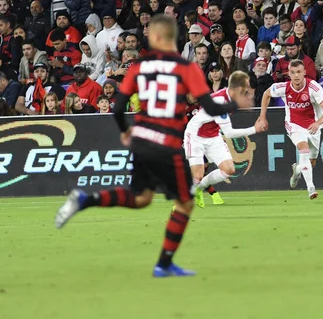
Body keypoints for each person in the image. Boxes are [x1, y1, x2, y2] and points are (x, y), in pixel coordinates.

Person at [55, 15, 249, 278]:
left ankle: (84, 199)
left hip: (142, 140)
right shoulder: (187, 68)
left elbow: (119, 108)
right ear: (174, 37)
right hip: (167, 142)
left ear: (154, 37)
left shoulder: (138, 67)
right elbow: (212, 107)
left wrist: (126, 131)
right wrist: (236, 104)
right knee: (184, 203)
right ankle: (164, 264)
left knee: (141, 198)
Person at [184, 71, 266, 208]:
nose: (246, 91)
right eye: (245, 88)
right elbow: (228, 133)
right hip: (195, 135)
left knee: (229, 170)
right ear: (238, 88)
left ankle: (198, 189)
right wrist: (254, 129)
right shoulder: (219, 101)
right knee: (197, 175)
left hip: (213, 135)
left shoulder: (230, 97)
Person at [258, 59, 323, 199]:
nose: (296, 76)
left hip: (313, 126)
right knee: (303, 149)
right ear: (289, 74)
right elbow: (266, 94)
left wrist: (317, 123)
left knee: (311, 162)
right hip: (294, 124)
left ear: (304, 72)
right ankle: (311, 188)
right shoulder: (283, 87)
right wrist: (262, 117)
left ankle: (297, 169)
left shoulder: (313, 87)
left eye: (299, 72)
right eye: (293, 73)